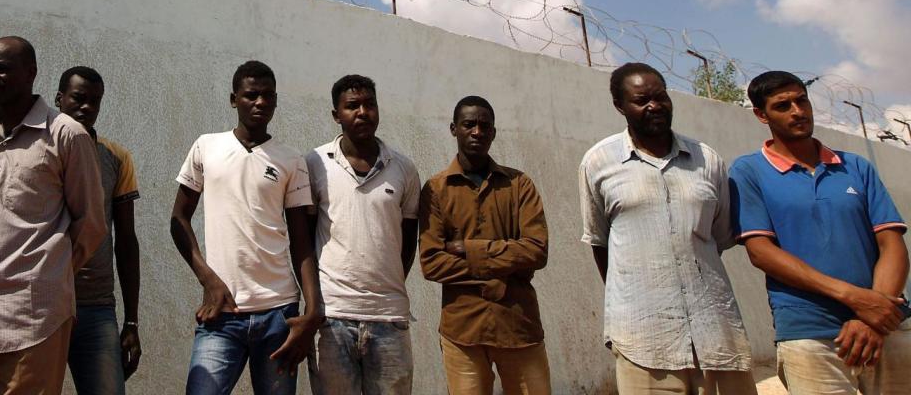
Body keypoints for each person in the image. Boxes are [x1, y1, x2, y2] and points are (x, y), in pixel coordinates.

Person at [579, 62, 756, 394]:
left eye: (661, 97)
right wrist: (633, 300)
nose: (654, 106)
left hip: (715, 334)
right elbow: (600, 241)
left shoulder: (707, 160)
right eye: (642, 100)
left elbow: (716, 238)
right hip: (643, 340)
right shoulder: (598, 162)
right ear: (620, 106)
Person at [730, 71, 910, 395]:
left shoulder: (855, 166)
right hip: (808, 332)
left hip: (885, 325)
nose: (797, 111)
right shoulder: (749, 172)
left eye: (801, 100)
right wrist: (854, 298)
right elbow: (761, 252)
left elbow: (892, 244)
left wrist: (871, 314)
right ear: (761, 114)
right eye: (782, 105)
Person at [0, 36, 106, 394]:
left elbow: (91, 224)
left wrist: (48, 274)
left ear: (31, 73)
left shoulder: (66, 134)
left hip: (31, 317)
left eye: (1, 68)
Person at [170, 60, 323, 395]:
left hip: (279, 314)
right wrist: (207, 278)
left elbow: (301, 241)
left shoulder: (290, 159)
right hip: (222, 312)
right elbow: (178, 220)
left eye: (268, 96)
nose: (260, 102)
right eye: (251, 95)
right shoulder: (206, 147)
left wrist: (313, 311)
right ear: (233, 99)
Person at [419, 95, 551, 395]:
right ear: (454, 129)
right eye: (469, 125)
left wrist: (470, 249)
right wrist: (502, 267)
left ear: (493, 132)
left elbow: (537, 250)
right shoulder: (437, 190)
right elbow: (431, 263)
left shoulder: (519, 185)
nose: (477, 132)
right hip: (462, 331)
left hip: (518, 326)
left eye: (484, 126)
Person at [305, 74, 420, 394]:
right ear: (336, 115)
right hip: (332, 318)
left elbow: (408, 239)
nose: (362, 112)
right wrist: (313, 303)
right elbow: (304, 238)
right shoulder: (314, 163)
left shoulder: (403, 168)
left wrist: (386, 280)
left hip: (390, 319)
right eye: (352, 105)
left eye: (370, 104)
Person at [55, 66, 141, 393]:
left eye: (95, 101)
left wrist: (131, 321)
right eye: (78, 98)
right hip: (44, 303)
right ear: (59, 99)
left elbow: (126, 241)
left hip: (95, 307)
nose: (86, 107)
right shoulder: (40, 152)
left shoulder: (115, 157)